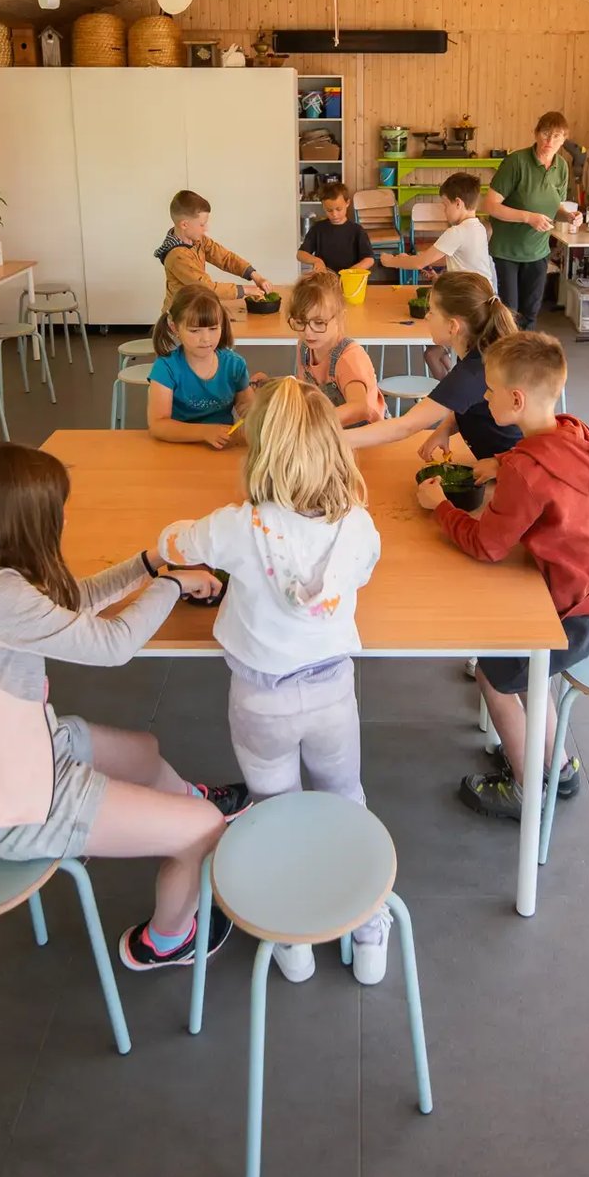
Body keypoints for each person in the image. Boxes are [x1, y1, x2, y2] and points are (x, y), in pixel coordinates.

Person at [0, 442, 250, 975]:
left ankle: (184, 800)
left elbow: (68, 606)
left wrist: (150, 562)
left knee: (144, 752)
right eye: (57, 509)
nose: (65, 516)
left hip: (20, 750)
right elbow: (112, 646)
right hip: (12, 804)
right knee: (204, 831)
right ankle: (166, 940)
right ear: (25, 524)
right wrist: (172, 584)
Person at [157, 377, 388, 984]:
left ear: (260, 454)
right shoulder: (359, 528)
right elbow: (360, 574)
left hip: (261, 700)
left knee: (273, 809)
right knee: (347, 796)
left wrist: (171, 544)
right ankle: (369, 930)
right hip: (334, 691)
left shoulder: (240, 525)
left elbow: (176, 542)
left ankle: (292, 942)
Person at [415, 331, 589, 821]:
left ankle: (528, 789)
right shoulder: (570, 430)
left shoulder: (527, 472)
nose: (483, 400)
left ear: (515, 399)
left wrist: (441, 506)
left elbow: (488, 545)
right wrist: (503, 462)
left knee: (494, 674)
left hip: (575, 610)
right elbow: (540, 462)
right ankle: (556, 764)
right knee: (527, 666)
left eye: (489, 392)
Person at [351, 270, 520, 466]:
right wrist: (446, 428)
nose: (427, 317)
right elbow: (467, 403)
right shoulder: (481, 355)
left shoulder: (472, 372)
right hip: (500, 465)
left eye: (431, 311)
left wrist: (333, 440)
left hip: (513, 472)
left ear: (453, 326)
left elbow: (404, 427)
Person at [378, 172, 496, 375]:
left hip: (469, 306)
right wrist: (438, 278)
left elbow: (419, 262)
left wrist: (392, 261)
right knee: (443, 355)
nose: (444, 210)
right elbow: (461, 262)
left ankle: (449, 400)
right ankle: (453, 392)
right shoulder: (477, 228)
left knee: (433, 355)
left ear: (458, 203)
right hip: (478, 301)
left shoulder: (457, 232)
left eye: (444, 205)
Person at [485, 112, 577, 329]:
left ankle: (522, 359)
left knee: (530, 314)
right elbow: (490, 206)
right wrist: (527, 217)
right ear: (536, 134)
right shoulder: (516, 162)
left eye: (556, 136)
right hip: (506, 251)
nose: (549, 141)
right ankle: (504, 359)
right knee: (508, 314)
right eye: (545, 134)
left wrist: (568, 215)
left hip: (538, 253)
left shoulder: (562, 167)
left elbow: (554, 207)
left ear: (564, 139)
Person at [147, 286, 254, 448]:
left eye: (213, 329)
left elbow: (247, 407)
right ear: (174, 328)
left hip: (221, 449)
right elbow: (158, 425)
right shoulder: (166, 368)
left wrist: (260, 402)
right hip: (175, 449)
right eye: (195, 330)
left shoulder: (234, 364)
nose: (206, 339)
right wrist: (204, 433)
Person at [289, 271, 386, 427]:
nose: (307, 332)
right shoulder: (305, 347)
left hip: (367, 435)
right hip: (332, 430)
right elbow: (304, 387)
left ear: (340, 318)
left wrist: (315, 423)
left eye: (319, 323)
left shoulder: (348, 358)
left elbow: (360, 408)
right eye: (300, 322)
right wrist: (271, 385)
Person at [155, 188, 274, 313]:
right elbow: (206, 287)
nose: (206, 228)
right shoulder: (177, 256)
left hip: (195, 309)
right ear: (184, 225)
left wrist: (255, 276)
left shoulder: (198, 240)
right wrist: (246, 290)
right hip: (179, 317)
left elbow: (225, 258)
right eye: (202, 224)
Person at [297, 180, 375, 276]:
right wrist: (316, 261)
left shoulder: (357, 231)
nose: (334, 214)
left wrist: (351, 271)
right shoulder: (318, 229)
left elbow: (369, 259)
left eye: (339, 209)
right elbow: (300, 254)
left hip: (350, 280)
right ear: (323, 206)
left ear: (347, 203)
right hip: (325, 280)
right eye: (329, 210)